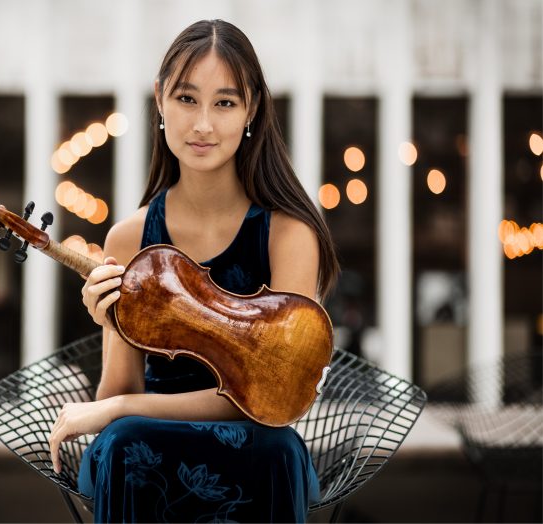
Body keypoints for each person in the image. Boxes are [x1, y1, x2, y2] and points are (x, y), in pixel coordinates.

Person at [48, 19, 339, 523]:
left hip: (254, 436)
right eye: (187, 99)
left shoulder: (288, 234)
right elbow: (120, 391)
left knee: (272, 449)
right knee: (121, 446)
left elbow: (277, 399)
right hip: (144, 436)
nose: (203, 124)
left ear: (251, 110)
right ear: (160, 100)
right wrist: (112, 326)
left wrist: (118, 412)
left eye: (224, 103)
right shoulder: (128, 237)